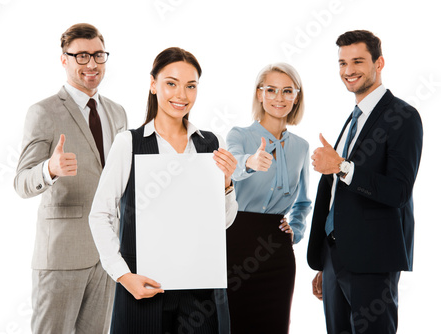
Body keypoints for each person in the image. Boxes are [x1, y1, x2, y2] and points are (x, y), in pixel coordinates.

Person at [89, 46, 238, 334]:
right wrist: (122, 275)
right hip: (142, 287)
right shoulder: (128, 143)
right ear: (153, 84)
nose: (181, 95)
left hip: (199, 291)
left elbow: (223, 222)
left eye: (190, 86)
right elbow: (100, 214)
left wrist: (227, 185)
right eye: (171, 83)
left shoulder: (209, 143)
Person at [14, 23, 127, 333]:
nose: (91, 64)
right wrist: (49, 169)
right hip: (62, 255)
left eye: (98, 55)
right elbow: (21, 182)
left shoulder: (117, 113)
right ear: (64, 59)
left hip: (107, 254)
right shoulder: (44, 112)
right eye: (81, 56)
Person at [307, 30, 423, 334]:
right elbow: (337, 194)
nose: (348, 71)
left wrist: (342, 166)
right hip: (335, 258)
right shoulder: (353, 117)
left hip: (373, 260)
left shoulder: (403, 116)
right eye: (342, 63)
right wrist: (325, 260)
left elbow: (398, 191)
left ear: (379, 63)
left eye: (357, 61)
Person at [225, 63, 312, 333]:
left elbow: (303, 202)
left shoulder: (301, 147)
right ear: (259, 94)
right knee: (235, 321)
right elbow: (232, 165)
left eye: (287, 91)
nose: (279, 98)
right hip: (236, 240)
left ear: (296, 97)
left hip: (277, 250)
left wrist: (295, 230)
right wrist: (250, 162)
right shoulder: (239, 135)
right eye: (271, 90)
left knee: (275, 324)